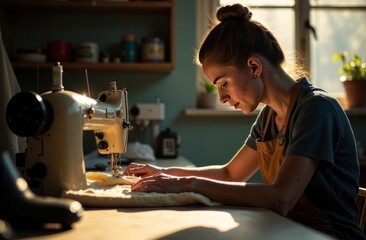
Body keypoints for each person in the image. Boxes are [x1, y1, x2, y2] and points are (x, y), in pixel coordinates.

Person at [123, 3, 364, 239]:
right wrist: (165, 174)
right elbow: (230, 174)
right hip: (288, 231)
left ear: (253, 66)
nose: (222, 97)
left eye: (224, 83)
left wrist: (190, 184)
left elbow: (281, 197)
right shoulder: (269, 116)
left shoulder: (316, 109)